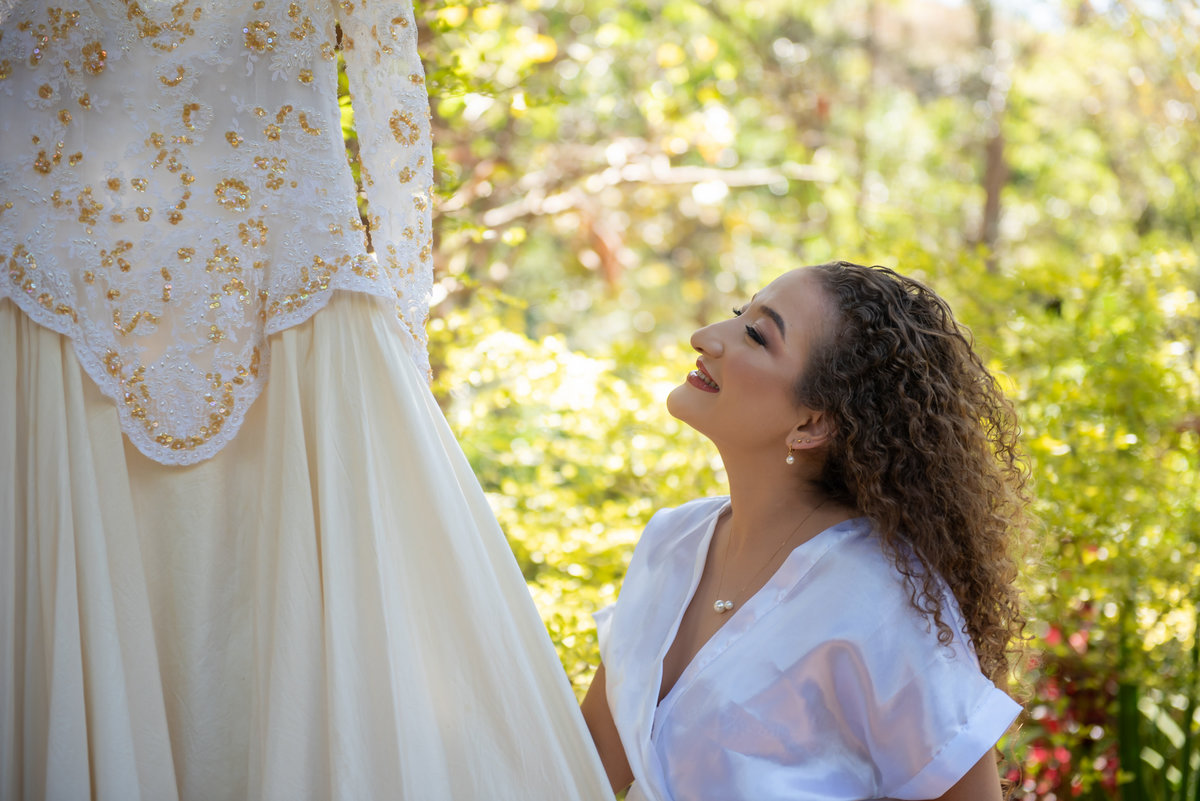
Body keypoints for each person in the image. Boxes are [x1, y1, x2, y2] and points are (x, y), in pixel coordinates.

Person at [0, 3, 609, 800]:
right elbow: (392, 107)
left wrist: (395, 324)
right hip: (61, 292)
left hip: (277, 290)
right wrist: (395, 325)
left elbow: (392, 90)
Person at [581, 261, 1028, 800]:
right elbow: (582, 774)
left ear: (811, 424)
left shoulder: (881, 599)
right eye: (737, 314)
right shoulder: (670, 542)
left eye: (755, 334)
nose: (704, 338)